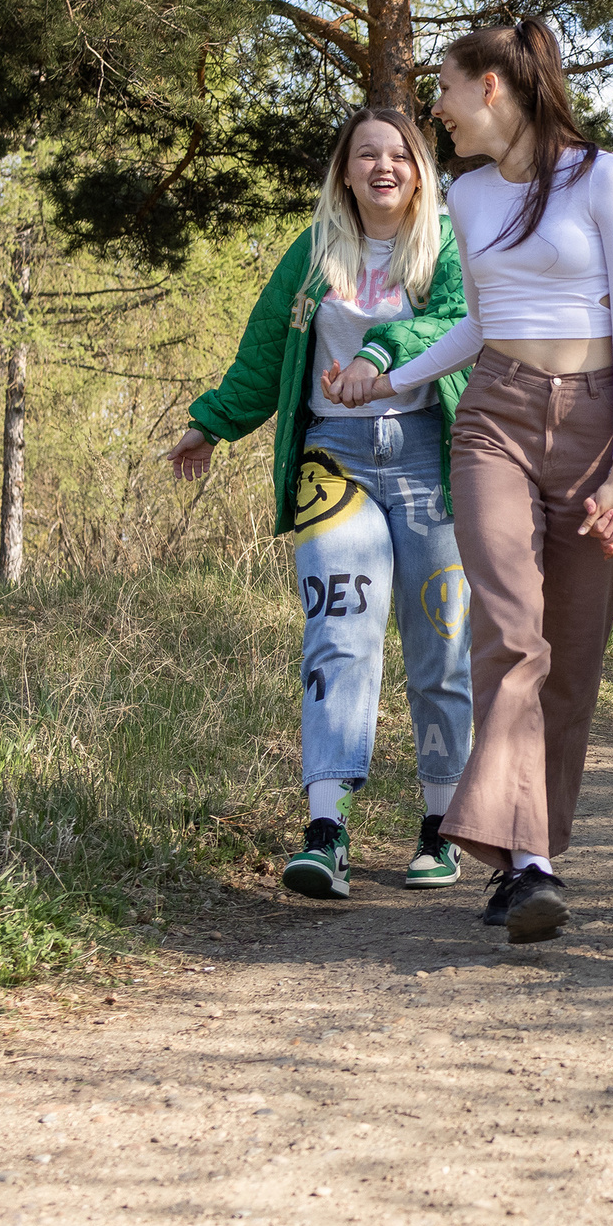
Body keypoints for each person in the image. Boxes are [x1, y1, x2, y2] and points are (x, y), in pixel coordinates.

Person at [339, 19, 613, 945]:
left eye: (443, 88)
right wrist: (389, 375)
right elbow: (476, 326)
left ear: (490, 88)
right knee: (510, 633)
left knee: (573, 651)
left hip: (599, 426)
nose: (433, 108)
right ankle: (531, 866)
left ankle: (529, 853)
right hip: (495, 418)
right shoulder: (468, 199)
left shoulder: (604, 178)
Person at [161, 106, 474, 901]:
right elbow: (266, 350)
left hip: (431, 456)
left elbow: (454, 321)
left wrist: (379, 350)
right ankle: (326, 830)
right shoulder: (314, 253)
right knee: (338, 633)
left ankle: (443, 824)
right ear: (344, 170)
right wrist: (212, 424)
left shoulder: (444, 242)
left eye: (398, 155)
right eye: (365, 154)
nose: (383, 167)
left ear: (419, 169)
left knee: (440, 639)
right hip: (335, 459)